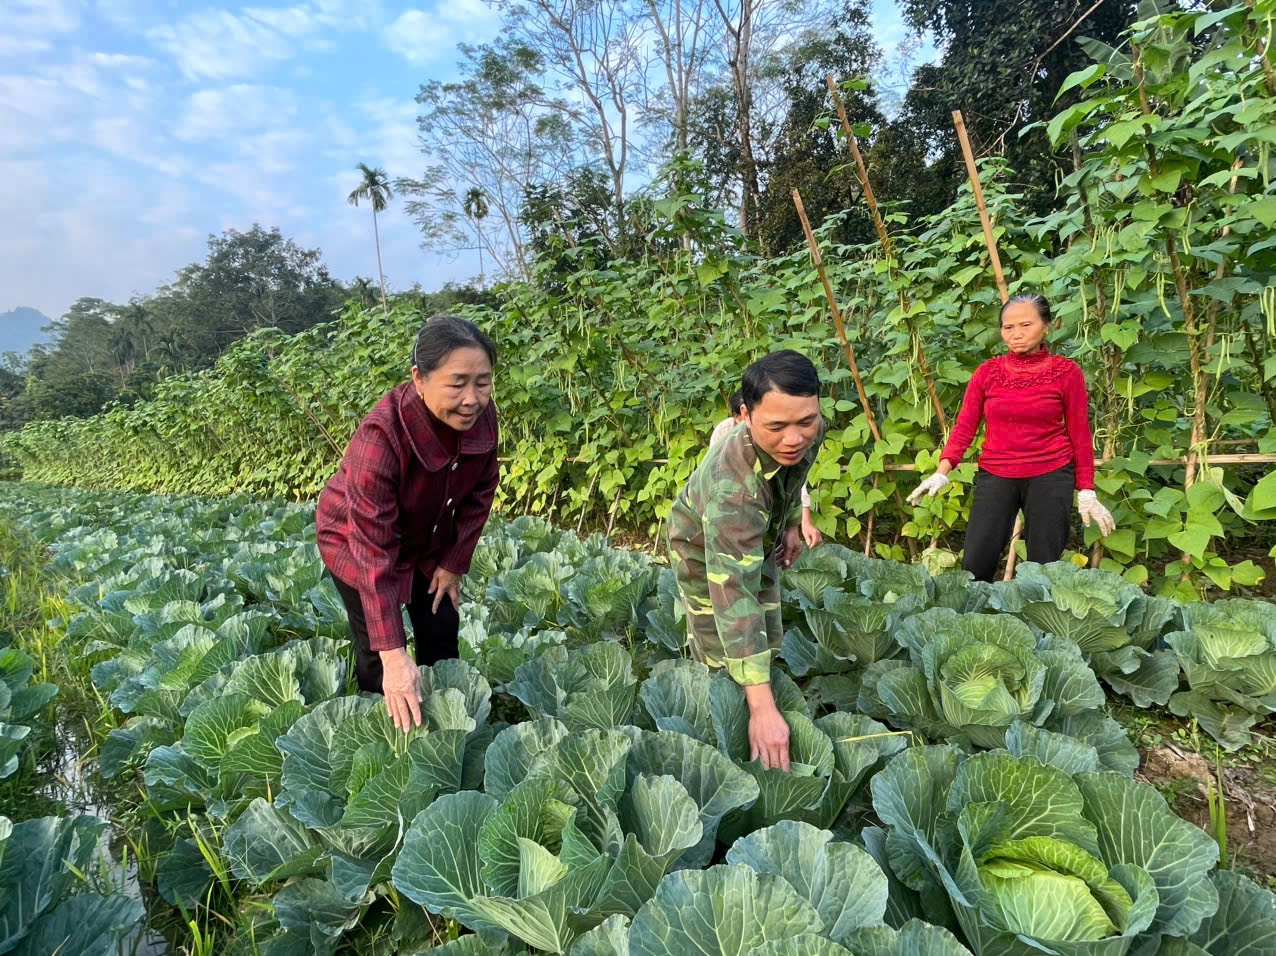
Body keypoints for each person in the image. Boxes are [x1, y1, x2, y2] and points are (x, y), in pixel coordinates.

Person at [317, 315, 499, 733]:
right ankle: (385, 737)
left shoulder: (482, 417)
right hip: (355, 541)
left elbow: (481, 491)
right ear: (419, 378)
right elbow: (372, 551)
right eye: (457, 383)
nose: (471, 399)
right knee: (378, 652)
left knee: (441, 624)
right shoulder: (381, 438)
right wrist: (394, 654)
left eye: (483, 382)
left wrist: (453, 563)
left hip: (426, 538)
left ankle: (447, 727)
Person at [669, 350, 825, 773]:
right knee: (719, 645)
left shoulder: (810, 428)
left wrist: (790, 522)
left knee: (767, 618)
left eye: (806, 421)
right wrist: (763, 710)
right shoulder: (732, 489)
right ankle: (723, 739)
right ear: (744, 415)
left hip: (761, 521)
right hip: (701, 544)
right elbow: (734, 594)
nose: (794, 438)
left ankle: (757, 686)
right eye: (776, 427)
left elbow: (796, 475)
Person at [907, 293, 1115, 581]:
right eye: (1008, 327)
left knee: (1044, 567)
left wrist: (1087, 490)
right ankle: (974, 611)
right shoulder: (987, 373)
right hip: (996, 474)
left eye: (1026, 325)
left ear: (1046, 326)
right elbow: (964, 428)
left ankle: (1039, 610)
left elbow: (1079, 434)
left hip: (1051, 475)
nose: (1016, 334)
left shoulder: (1066, 373)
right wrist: (942, 472)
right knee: (976, 561)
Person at [712, 389, 823, 550]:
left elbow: (795, 480)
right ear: (740, 415)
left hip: (771, 502)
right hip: (735, 502)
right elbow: (719, 478)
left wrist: (799, 523)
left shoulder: (779, 436)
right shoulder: (723, 433)